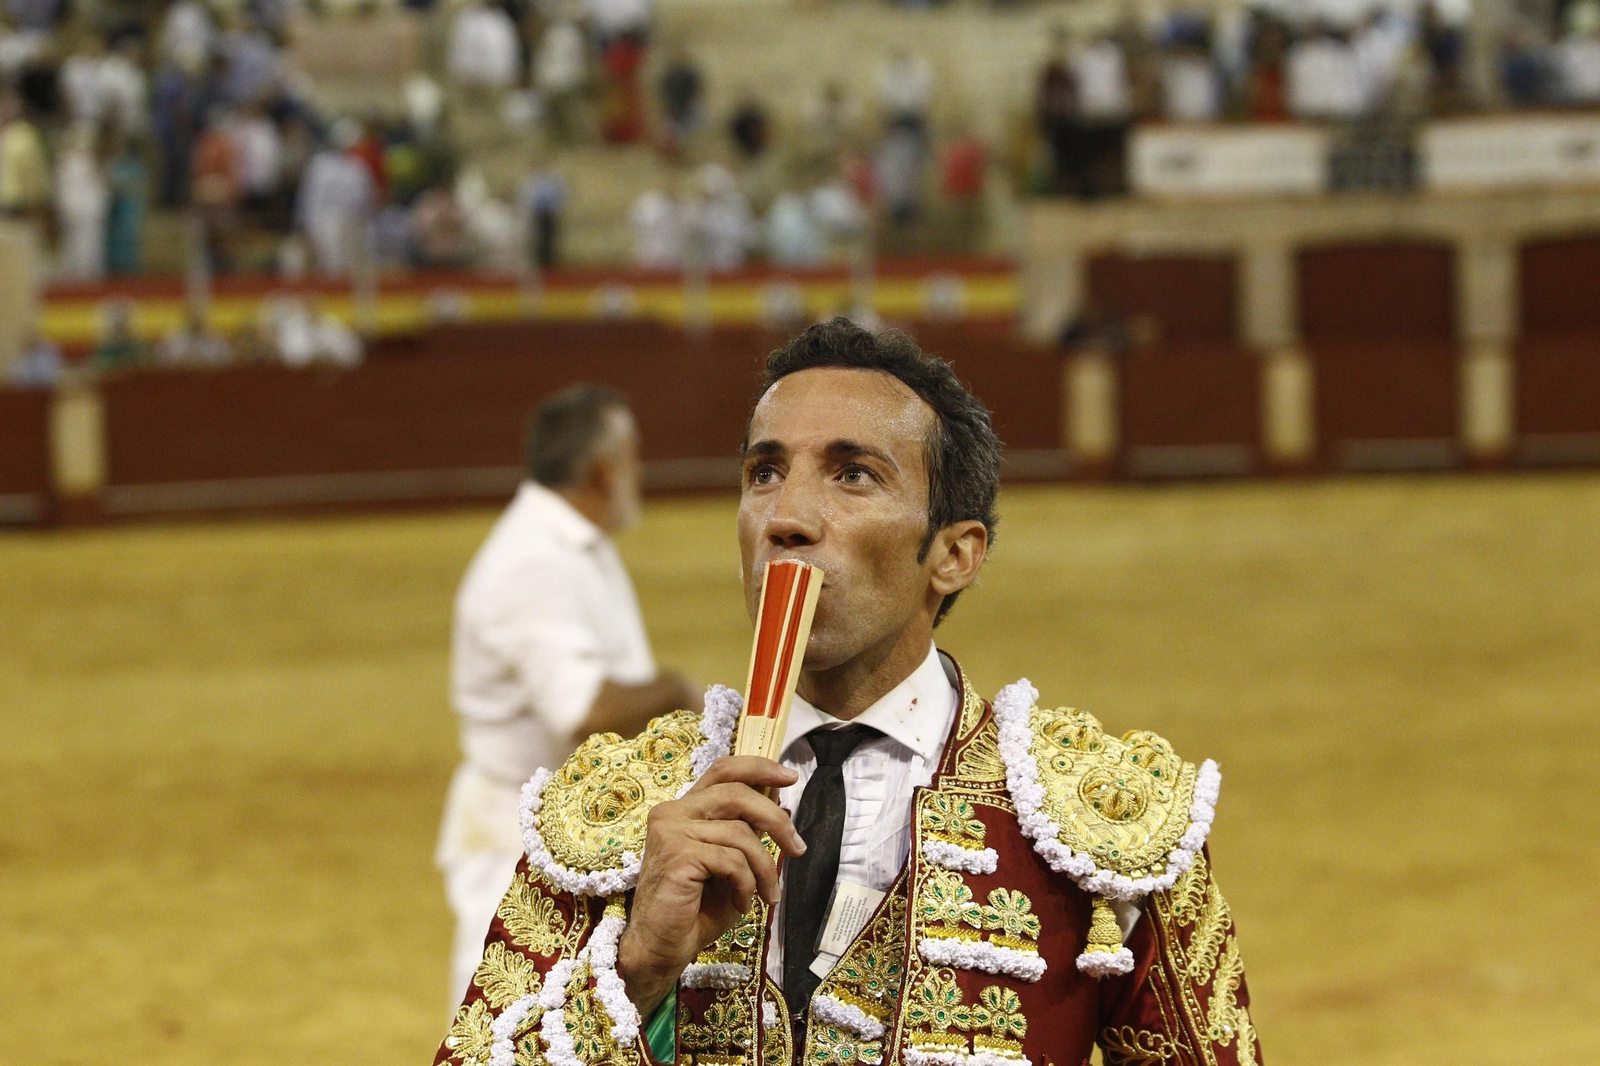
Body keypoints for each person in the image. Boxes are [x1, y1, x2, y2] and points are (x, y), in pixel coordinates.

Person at [432, 320, 1262, 1066]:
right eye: (764, 473)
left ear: (955, 555)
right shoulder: (614, 811)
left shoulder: (1108, 829)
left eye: (853, 475)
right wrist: (636, 970)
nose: (786, 517)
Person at [437, 384, 703, 1004]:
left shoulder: (562, 543)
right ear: (603, 470)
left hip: (567, 823)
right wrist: (681, 691)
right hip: (523, 834)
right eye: (632, 457)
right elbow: (584, 708)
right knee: (505, 1011)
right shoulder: (534, 560)